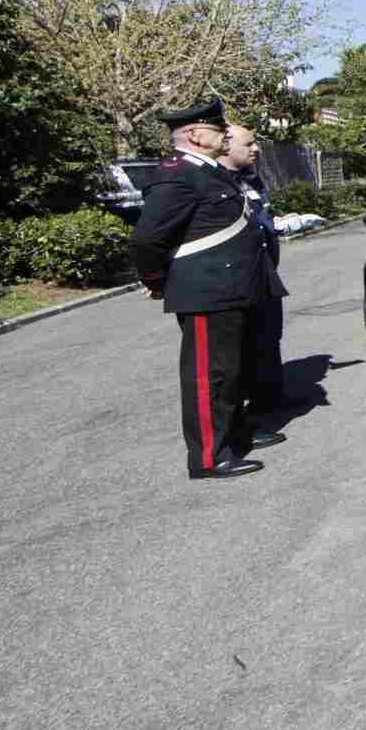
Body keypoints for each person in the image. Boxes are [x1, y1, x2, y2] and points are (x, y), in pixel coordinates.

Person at [128, 98, 288, 480]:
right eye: (219, 130)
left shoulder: (208, 172)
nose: (226, 135)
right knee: (208, 375)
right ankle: (207, 457)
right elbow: (148, 240)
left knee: (230, 371)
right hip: (207, 290)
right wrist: (155, 280)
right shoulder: (178, 174)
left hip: (231, 288)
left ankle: (233, 435)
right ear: (196, 135)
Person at [217, 125, 301, 414]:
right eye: (249, 144)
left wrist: (279, 223)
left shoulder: (251, 178)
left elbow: (259, 217)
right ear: (225, 146)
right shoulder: (216, 182)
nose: (256, 149)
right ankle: (247, 417)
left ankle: (271, 401)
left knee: (268, 339)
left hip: (264, 274)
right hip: (238, 280)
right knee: (241, 350)